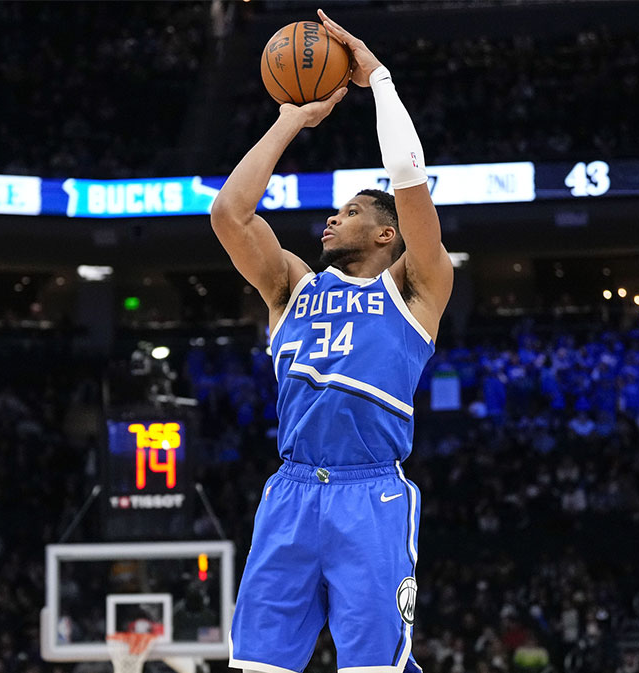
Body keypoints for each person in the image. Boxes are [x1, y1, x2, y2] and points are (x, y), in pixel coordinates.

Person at [211, 13, 453, 673]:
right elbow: (229, 214)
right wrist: (293, 117)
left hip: (369, 496)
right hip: (289, 493)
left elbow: (407, 176)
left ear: (385, 235)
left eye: (349, 211)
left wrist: (377, 78)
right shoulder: (291, 285)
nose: (332, 215)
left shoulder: (415, 290)